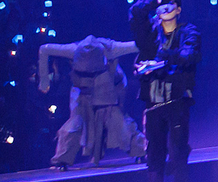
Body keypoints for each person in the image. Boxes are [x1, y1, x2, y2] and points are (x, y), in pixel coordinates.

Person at [129, 0, 202, 182]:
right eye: (162, 6)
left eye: (170, 5)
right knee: (154, 156)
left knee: (179, 152)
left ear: (179, 10)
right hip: (153, 102)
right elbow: (136, 14)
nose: (165, 9)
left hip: (176, 101)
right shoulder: (151, 34)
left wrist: (162, 59)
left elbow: (190, 54)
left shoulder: (188, 30)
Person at [38, 33, 146, 168]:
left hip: (109, 86)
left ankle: (140, 149)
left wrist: (143, 67)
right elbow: (44, 49)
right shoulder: (72, 50)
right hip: (82, 89)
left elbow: (142, 45)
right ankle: (62, 158)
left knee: (118, 120)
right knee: (76, 121)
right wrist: (44, 79)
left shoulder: (111, 49)